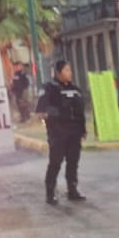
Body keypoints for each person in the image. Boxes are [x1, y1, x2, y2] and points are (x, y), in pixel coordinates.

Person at [35, 60, 88, 205]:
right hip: (58, 133)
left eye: (70, 70)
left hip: (74, 132)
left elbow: (80, 111)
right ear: (58, 73)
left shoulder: (75, 89)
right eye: (66, 70)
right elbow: (40, 111)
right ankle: (50, 192)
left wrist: (83, 129)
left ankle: (73, 190)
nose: (70, 73)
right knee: (55, 162)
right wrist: (51, 113)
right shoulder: (49, 88)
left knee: (73, 162)